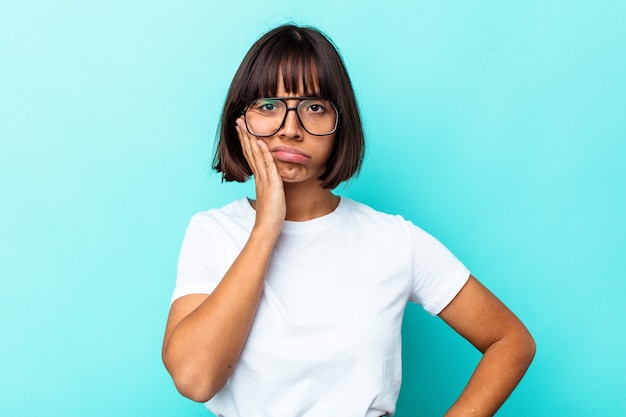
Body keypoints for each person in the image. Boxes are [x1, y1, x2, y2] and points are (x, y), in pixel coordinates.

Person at [162, 24, 535, 417]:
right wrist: (267, 226)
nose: (291, 129)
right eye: (270, 105)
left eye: (315, 107)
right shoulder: (213, 233)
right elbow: (195, 378)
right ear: (241, 119)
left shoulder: (393, 240)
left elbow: (510, 340)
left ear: (341, 127)